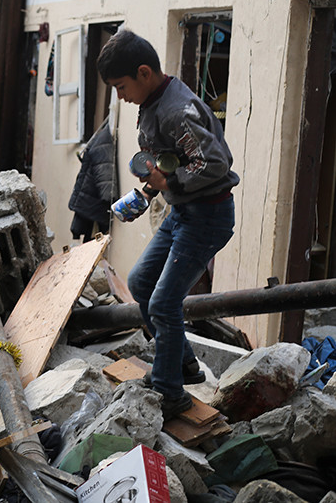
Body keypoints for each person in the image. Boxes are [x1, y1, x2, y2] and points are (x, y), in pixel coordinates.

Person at [96, 29, 240, 419]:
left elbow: (213, 165)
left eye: (121, 87)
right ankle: (185, 365)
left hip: (207, 217)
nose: (121, 96)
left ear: (144, 73)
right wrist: (149, 191)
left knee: (163, 303)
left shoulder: (177, 111)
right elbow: (173, 160)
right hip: (183, 212)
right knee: (142, 283)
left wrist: (170, 182)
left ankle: (169, 392)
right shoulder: (155, 101)